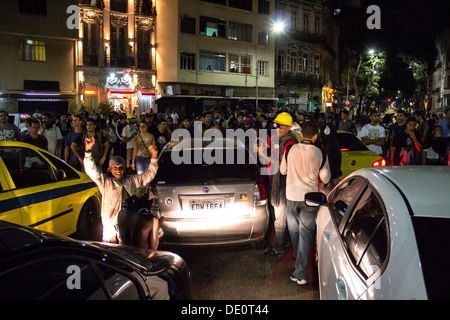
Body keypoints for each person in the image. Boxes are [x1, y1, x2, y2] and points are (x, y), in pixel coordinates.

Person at [280, 121, 331, 286]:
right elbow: (326, 178)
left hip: (291, 195)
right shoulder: (320, 153)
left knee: (293, 229)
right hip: (309, 198)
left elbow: (283, 170)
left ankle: (299, 263)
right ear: (315, 136)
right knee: (305, 234)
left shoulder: (290, 149)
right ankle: (300, 271)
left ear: (301, 134)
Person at [83, 136, 159, 243]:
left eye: (121, 167)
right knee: (109, 248)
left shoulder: (133, 180)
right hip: (110, 223)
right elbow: (91, 170)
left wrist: (154, 157)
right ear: (110, 169)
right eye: (115, 167)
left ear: (124, 169)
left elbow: (150, 174)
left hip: (129, 222)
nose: (118, 170)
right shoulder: (105, 182)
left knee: (127, 248)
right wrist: (87, 151)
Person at [257, 112, 297, 256]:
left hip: (282, 183)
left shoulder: (290, 143)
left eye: (280, 126)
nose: (277, 128)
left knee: (280, 218)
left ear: (288, 127)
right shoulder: (277, 138)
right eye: (276, 125)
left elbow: (282, 166)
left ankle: (278, 245)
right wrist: (261, 145)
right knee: (277, 216)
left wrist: (263, 155)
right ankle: (283, 241)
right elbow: (266, 144)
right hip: (272, 181)